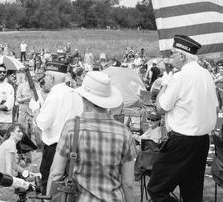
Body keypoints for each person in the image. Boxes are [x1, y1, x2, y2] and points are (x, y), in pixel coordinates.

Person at [147, 35, 219, 202]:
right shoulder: (206, 74)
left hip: (181, 142)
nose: (170, 57)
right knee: (192, 193)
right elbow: (215, 106)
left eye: (173, 53)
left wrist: (165, 84)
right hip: (201, 141)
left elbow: (160, 108)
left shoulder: (180, 77)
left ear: (182, 55)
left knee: (157, 188)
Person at [47, 71, 136, 201]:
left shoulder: (72, 127)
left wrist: (48, 198)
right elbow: (128, 183)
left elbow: (56, 173)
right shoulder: (124, 132)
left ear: (84, 99)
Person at [30, 62, 83, 193]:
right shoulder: (75, 93)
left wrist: (36, 109)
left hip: (55, 147)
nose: (44, 79)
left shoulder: (55, 94)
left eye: (46, 76)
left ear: (52, 78)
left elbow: (42, 123)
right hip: (75, 146)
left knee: (49, 182)